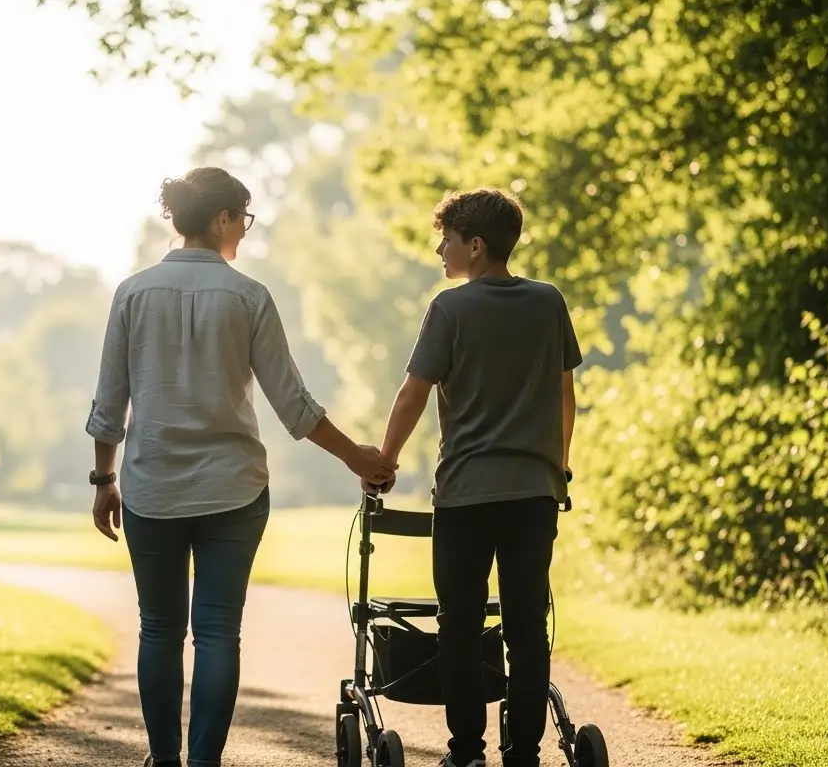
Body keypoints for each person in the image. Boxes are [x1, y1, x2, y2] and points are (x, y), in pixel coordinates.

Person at [84, 166, 397, 767]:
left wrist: (104, 480)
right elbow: (294, 406)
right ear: (223, 217)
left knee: (159, 630)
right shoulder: (249, 296)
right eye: (244, 219)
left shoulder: (132, 293)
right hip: (233, 490)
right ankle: (203, 762)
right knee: (218, 631)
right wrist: (359, 456)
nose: (245, 233)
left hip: (151, 487)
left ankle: (165, 761)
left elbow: (109, 403)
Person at [368, 188, 581, 767]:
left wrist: (384, 460)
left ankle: (466, 753)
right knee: (526, 625)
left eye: (448, 239)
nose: (441, 249)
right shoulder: (548, 302)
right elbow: (566, 394)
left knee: (459, 624)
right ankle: (525, 753)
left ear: (476, 245)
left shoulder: (450, 309)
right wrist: (557, 466)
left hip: (466, 495)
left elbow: (414, 392)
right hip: (534, 493)